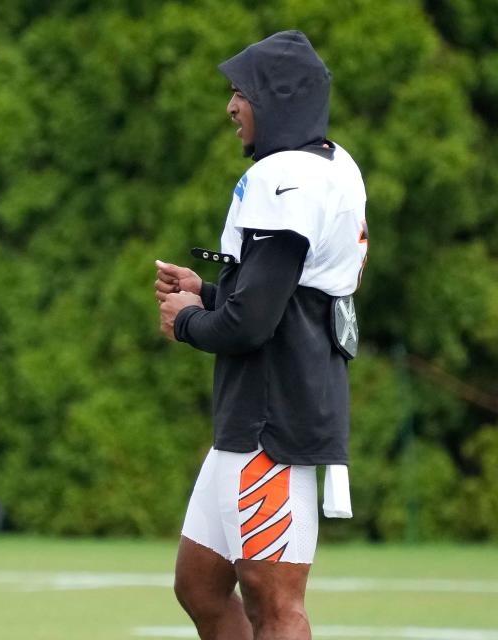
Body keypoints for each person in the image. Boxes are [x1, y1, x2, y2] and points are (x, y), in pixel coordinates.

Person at [156, 31, 367, 640]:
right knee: (199, 586)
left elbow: (251, 324)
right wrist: (208, 292)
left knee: (275, 602)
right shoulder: (331, 163)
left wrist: (187, 322)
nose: (230, 107)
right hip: (255, 414)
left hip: (272, 420)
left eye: (239, 92)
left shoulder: (286, 176)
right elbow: (277, 297)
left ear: (274, 98)